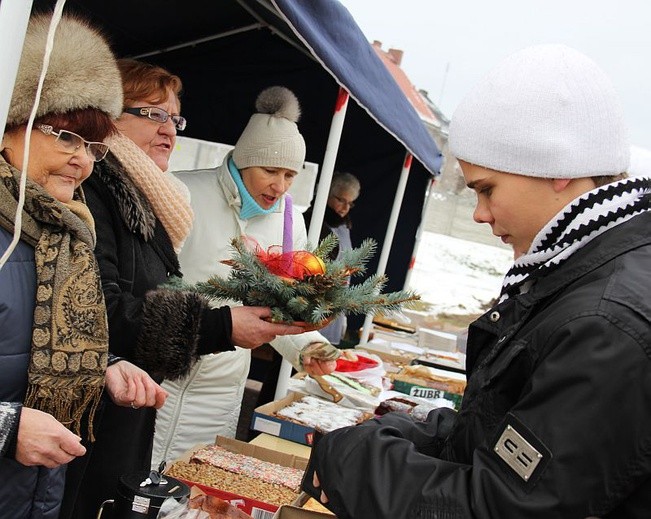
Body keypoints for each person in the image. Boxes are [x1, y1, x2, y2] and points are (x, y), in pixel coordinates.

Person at [305, 44, 651, 518]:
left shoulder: (605, 321)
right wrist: (407, 435)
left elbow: (502, 506)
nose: (480, 214)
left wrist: (351, 461)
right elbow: (509, 438)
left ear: (555, 169)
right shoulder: (578, 273)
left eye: (487, 189)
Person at [60, 63, 304, 518]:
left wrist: (304, 334)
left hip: (147, 397)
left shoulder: (156, 200)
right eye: (153, 114)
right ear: (109, 116)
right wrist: (222, 325)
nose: (169, 129)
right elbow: (100, 310)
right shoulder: (93, 192)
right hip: (97, 413)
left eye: (175, 118)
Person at [0, 13, 167, 519]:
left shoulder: (64, 234)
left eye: (93, 146)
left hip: (34, 496)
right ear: (12, 127)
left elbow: (43, 342)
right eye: (65, 137)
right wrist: (7, 427)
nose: (83, 160)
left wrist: (104, 365)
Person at [153, 86, 339, 465]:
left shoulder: (291, 222)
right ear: (243, 160)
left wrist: (307, 347)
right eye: (270, 170)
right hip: (159, 379)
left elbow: (280, 307)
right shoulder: (183, 192)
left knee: (193, 490)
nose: (281, 186)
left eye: (290, 174)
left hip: (222, 392)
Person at [304, 171, 361, 345]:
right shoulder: (312, 223)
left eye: (350, 203)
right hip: (308, 311)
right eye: (340, 200)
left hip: (333, 312)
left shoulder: (345, 226)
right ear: (326, 194)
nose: (345, 208)